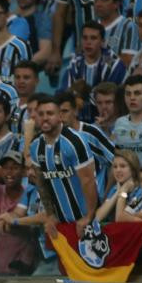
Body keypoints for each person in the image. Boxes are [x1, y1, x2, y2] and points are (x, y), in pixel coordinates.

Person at [26, 95, 100, 231]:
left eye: (50, 113)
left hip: (86, 221)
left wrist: (89, 216)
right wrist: (50, 215)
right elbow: (41, 183)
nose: (45, 118)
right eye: (41, 114)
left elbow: (88, 180)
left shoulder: (75, 141)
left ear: (60, 116)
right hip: (61, 224)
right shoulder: (35, 146)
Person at [96, 0, 140, 68]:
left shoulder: (129, 27)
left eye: (104, 0)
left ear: (116, 4)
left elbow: (127, 61)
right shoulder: (90, 27)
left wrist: (97, 57)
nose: (98, 4)